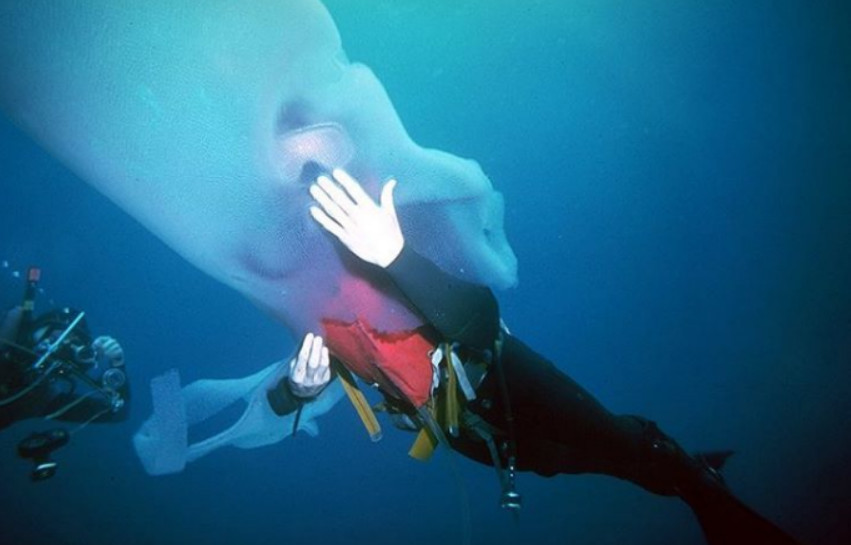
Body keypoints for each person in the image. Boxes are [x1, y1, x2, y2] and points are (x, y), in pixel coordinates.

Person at [265, 168, 802, 544]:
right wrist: (298, 389)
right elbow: (278, 404)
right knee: (580, 461)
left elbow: (476, 315)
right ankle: (682, 474)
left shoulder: (384, 242)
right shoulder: (315, 306)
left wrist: (395, 255)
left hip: (505, 374)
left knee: (610, 438)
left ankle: (697, 483)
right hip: (461, 432)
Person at [0, 271, 130, 479]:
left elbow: (117, 412)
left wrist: (117, 363)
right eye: (49, 335)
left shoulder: (41, 397)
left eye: (68, 344)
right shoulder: (7, 346)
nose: (51, 347)